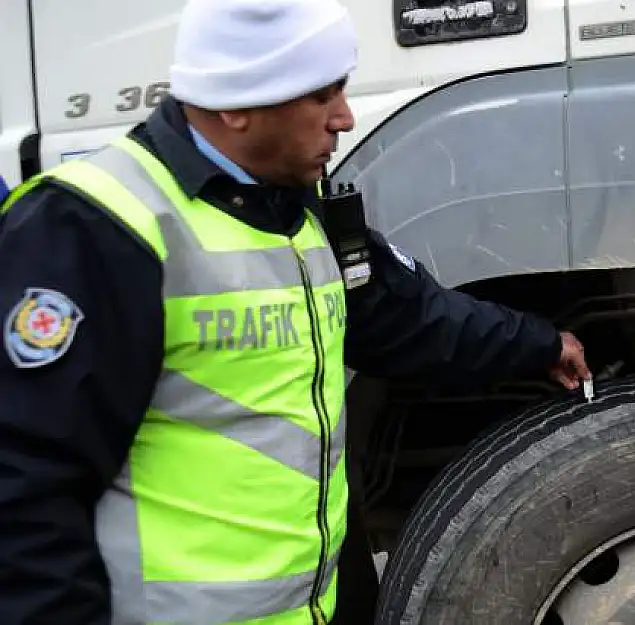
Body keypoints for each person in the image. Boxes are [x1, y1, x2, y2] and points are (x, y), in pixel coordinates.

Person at [0, 0, 591, 623]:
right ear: (236, 105)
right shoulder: (97, 229)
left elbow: (405, 316)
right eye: (321, 96)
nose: (344, 117)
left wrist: (538, 344)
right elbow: (24, 490)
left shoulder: (293, 209)